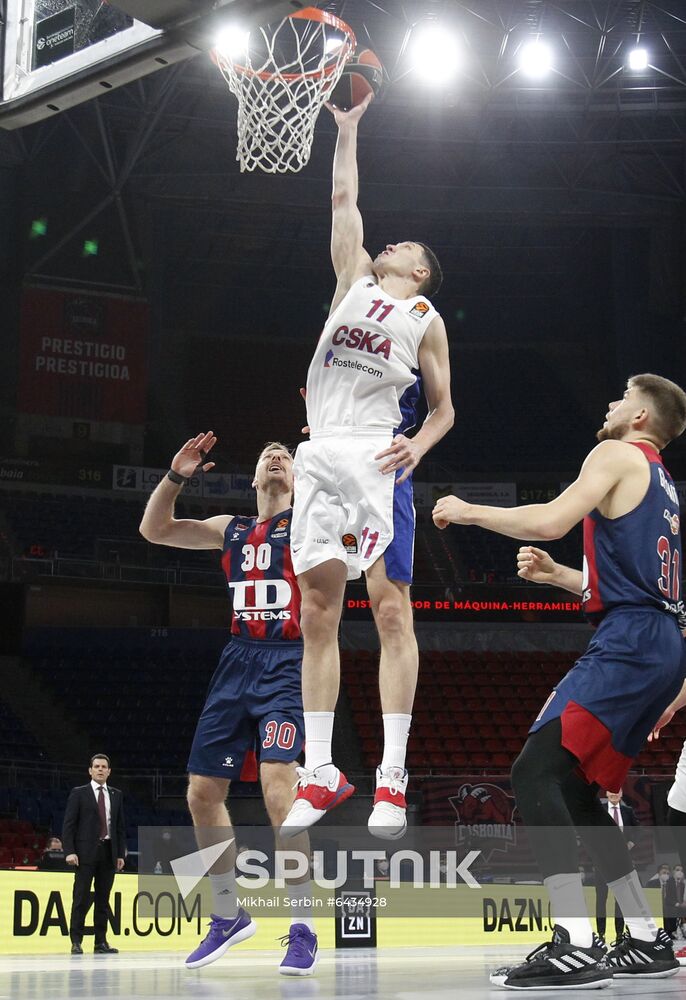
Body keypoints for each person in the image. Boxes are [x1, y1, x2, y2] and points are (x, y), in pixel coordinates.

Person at [433, 373, 686, 988]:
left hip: (627, 644)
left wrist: (468, 512)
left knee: (533, 771)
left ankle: (573, 940)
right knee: (576, 792)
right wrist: (558, 578)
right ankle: (648, 938)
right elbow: (641, 588)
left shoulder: (615, 453)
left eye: (622, 397)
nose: (610, 403)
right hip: (661, 645)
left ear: (641, 420)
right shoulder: (664, 485)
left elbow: (549, 520)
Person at [282, 94, 454, 841]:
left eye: (404, 247)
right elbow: (344, 198)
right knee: (317, 612)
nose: (389, 245)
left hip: (379, 453)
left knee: (388, 610)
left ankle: (391, 778)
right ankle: (321, 769)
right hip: (322, 448)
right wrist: (346, 130)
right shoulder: (351, 277)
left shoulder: (425, 320)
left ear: (420, 272)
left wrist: (418, 446)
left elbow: (446, 410)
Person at [139, 433, 318, 976]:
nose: (277, 454)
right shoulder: (230, 528)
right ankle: (227, 915)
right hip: (236, 661)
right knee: (200, 794)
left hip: (288, 662)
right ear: (253, 479)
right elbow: (154, 530)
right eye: (267, 453)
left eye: (286, 453)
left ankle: (303, 927)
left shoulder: (311, 523)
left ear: (297, 475)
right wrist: (176, 475)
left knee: (279, 792)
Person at [62, 754, 126, 955]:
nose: (100, 769)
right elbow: (69, 825)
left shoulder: (116, 794)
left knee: (103, 900)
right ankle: (76, 941)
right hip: (84, 853)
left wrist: (120, 854)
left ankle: (100, 942)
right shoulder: (78, 793)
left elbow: (119, 827)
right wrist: (70, 851)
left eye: (103, 766)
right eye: (96, 766)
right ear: (90, 770)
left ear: (109, 771)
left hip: (108, 852)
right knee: (80, 898)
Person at [594, 789, 637, 944]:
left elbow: (638, 830)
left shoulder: (628, 811)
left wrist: (631, 843)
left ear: (621, 794)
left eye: (616, 791)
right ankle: (601, 934)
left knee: (620, 900)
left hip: (621, 862)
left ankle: (619, 934)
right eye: (610, 791)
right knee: (601, 899)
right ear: (606, 793)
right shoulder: (599, 811)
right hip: (602, 862)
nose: (613, 794)